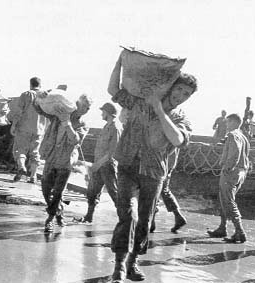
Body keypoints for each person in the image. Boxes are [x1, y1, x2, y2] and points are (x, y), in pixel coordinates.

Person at [107, 54, 197, 283]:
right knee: (128, 214)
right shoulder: (140, 101)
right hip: (127, 165)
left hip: (153, 174)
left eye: (187, 95)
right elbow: (113, 90)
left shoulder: (181, 118)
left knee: (145, 220)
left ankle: (133, 261)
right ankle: (118, 266)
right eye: (179, 90)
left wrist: (159, 109)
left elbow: (177, 140)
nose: (181, 97)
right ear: (171, 86)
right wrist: (120, 62)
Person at [36, 93, 92, 233]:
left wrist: (67, 123)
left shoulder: (83, 124)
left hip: (66, 160)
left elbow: (76, 140)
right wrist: (40, 97)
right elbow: (40, 109)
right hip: (51, 157)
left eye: (88, 108)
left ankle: (50, 219)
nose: (85, 110)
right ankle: (58, 211)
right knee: (45, 188)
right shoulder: (59, 113)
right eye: (84, 106)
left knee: (58, 192)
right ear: (76, 103)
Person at [207, 113, 250, 243]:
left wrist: (228, 167)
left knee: (228, 201)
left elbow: (235, 152)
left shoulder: (232, 135)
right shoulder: (243, 137)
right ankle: (222, 227)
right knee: (224, 199)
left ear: (234, 122)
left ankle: (239, 231)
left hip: (232, 172)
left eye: (228, 122)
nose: (226, 125)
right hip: (241, 172)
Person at [76, 102, 122, 223]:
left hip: (108, 166)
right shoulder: (107, 126)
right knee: (92, 192)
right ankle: (89, 217)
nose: (101, 113)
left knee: (115, 193)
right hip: (99, 165)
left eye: (103, 111)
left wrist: (97, 165)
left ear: (109, 113)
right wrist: (96, 165)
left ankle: (125, 220)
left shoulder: (115, 128)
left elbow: (112, 152)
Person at [10, 77, 47, 183]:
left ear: (30, 84)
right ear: (40, 85)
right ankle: (33, 176)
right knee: (35, 153)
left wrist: (13, 126)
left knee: (20, 150)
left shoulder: (26, 94)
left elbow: (18, 113)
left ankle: (21, 167)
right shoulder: (45, 96)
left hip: (24, 128)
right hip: (39, 130)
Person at [150, 148, 187, 233]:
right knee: (163, 189)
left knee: (155, 188)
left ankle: (151, 221)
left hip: (162, 161)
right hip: (168, 162)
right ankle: (178, 216)